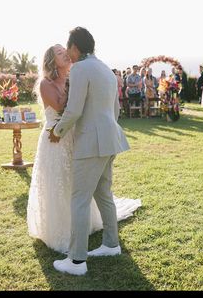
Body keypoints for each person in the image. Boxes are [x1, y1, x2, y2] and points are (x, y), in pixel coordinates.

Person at [27, 39, 141, 275]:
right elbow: (112, 109)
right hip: (98, 139)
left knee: (79, 198)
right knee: (100, 192)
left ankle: (77, 261)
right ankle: (111, 244)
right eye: (60, 52)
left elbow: (75, 110)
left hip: (83, 139)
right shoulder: (103, 69)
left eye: (66, 49)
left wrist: (59, 131)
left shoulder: (80, 71)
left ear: (76, 48)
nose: (66, 54)